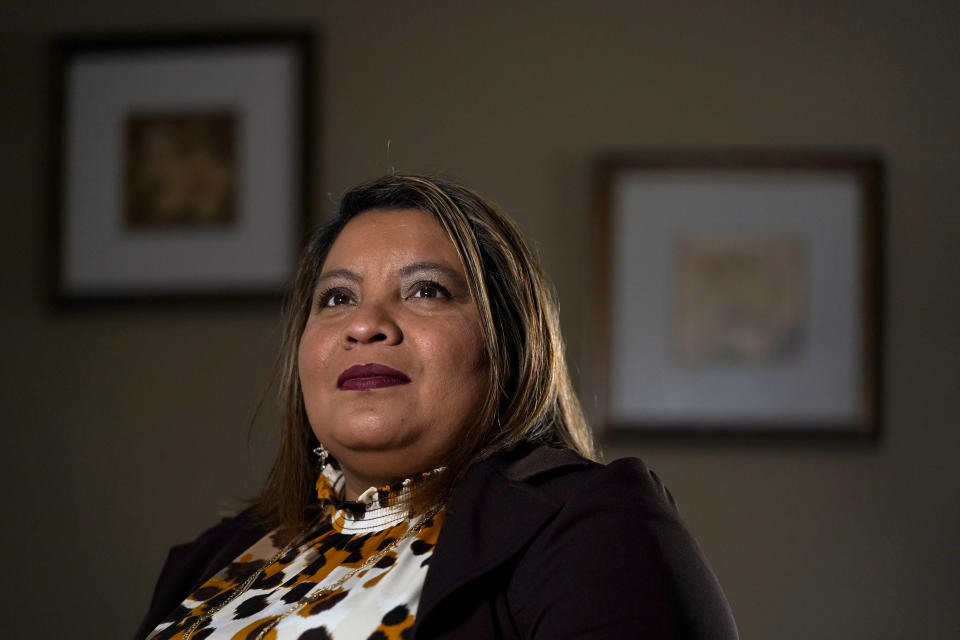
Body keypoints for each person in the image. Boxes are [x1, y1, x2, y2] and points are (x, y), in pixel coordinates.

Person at [135, 174, 738, 639]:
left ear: (509, 342)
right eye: (337, 297)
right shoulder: (217, 555)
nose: (366, 324)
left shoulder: (591, 526)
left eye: (426, 290)